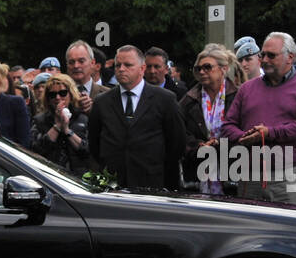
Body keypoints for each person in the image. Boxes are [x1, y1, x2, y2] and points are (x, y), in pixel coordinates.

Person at [220, 32, 296, 204]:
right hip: (250, 173)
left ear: (290, 57)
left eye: (271, 55)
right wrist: (245, 137)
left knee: (290, 228)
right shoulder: (246, 89)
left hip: (290, 173)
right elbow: (227, 126)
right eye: (262, 55)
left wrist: (268, 133)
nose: (265, 60)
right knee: (249, 227)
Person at [87, 44, 186, 190]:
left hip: (152, 184)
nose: (121, 69)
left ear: (142, 68)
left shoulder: (165, 100)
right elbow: (94, 142)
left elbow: (177, 143)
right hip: (113, 185)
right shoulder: (102, 101)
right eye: (118, 65)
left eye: (128, 65)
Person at [180, 46, 239, 192]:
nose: (201, 72)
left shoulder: (239, 96)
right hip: (197, 171)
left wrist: (219, 144)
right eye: (198, 68)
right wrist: (198, 146)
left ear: (223, 69)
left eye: (207, 67)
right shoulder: (189, 99)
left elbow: (244, 130)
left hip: (232, 169)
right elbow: (180, 132)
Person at [30, 73, 92, 172]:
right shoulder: (39, 120)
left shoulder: (82, 117)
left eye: (63, 93)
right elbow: (37, 149)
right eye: (52, 94)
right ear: (48, 98)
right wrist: (58, 125)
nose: (58, 98)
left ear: (71, 94)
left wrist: (67, 131)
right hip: (51, 175)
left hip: (79, 177)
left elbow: (88, 150)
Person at [66, 40, 113, 114]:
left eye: (81, 61)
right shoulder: (59, 94)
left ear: (92, 63)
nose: (76, 66)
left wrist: (94, 111)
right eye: (71, 62)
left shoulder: (109, 95)